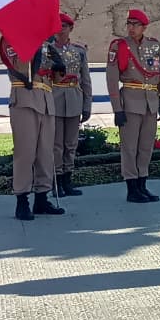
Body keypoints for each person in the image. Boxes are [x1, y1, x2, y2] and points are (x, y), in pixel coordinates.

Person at [1, 36, 65, 221]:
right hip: (25, 99)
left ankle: (42, 198)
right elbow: (17, 68)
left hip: (45, 100)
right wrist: (31, 46)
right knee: (25, 152)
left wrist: (58, 67)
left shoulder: (48, 46)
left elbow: (55, 77)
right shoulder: (13, 41)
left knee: (45, 153)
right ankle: (22, 201)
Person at [107, 9, 160, 203]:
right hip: (130, 102)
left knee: (146, 147)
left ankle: (142, 185)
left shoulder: (154, 45)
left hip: (150, 102)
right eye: (129, 24)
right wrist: (117, 108)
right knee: (130, 148)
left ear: (144, 27)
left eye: (136, 25)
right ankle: (132, 188)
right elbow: (112, 79)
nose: (131, 28)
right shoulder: (119, 46)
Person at [51, 14, 93, 197]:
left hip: (74, 99)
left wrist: (87, 105)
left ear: (71, 29)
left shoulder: (79, 51)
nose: (61, 29)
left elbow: (86, 80)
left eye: (65, 26)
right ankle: (56, 182)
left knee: (71, 144)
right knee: (56, 145)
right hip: (55, 99)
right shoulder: (47, 50)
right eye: (58, 26)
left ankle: (68, 180)